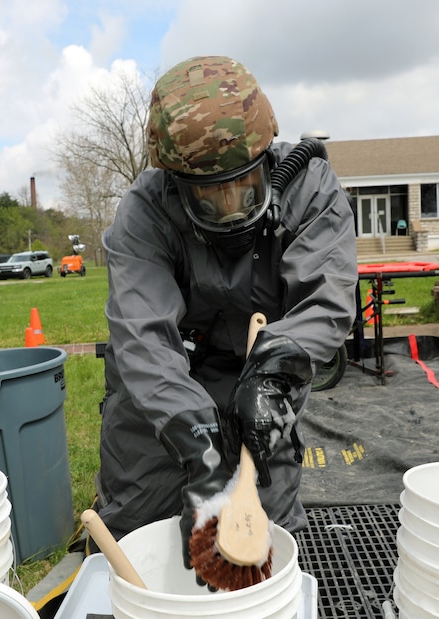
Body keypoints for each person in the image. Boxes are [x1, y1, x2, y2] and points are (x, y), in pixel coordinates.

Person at [94, 56, 358, 575]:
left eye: (244, 186)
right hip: (166, 381)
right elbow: (143, 339)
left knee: (263, 538)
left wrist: (276, 376)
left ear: (267, 157)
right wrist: (199, 443)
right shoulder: (145, 211)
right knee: (137, 525)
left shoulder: (311, 189)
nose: (232, 207)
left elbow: (324, 301)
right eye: (209, 196)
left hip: (262, 377)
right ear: (176, 180)